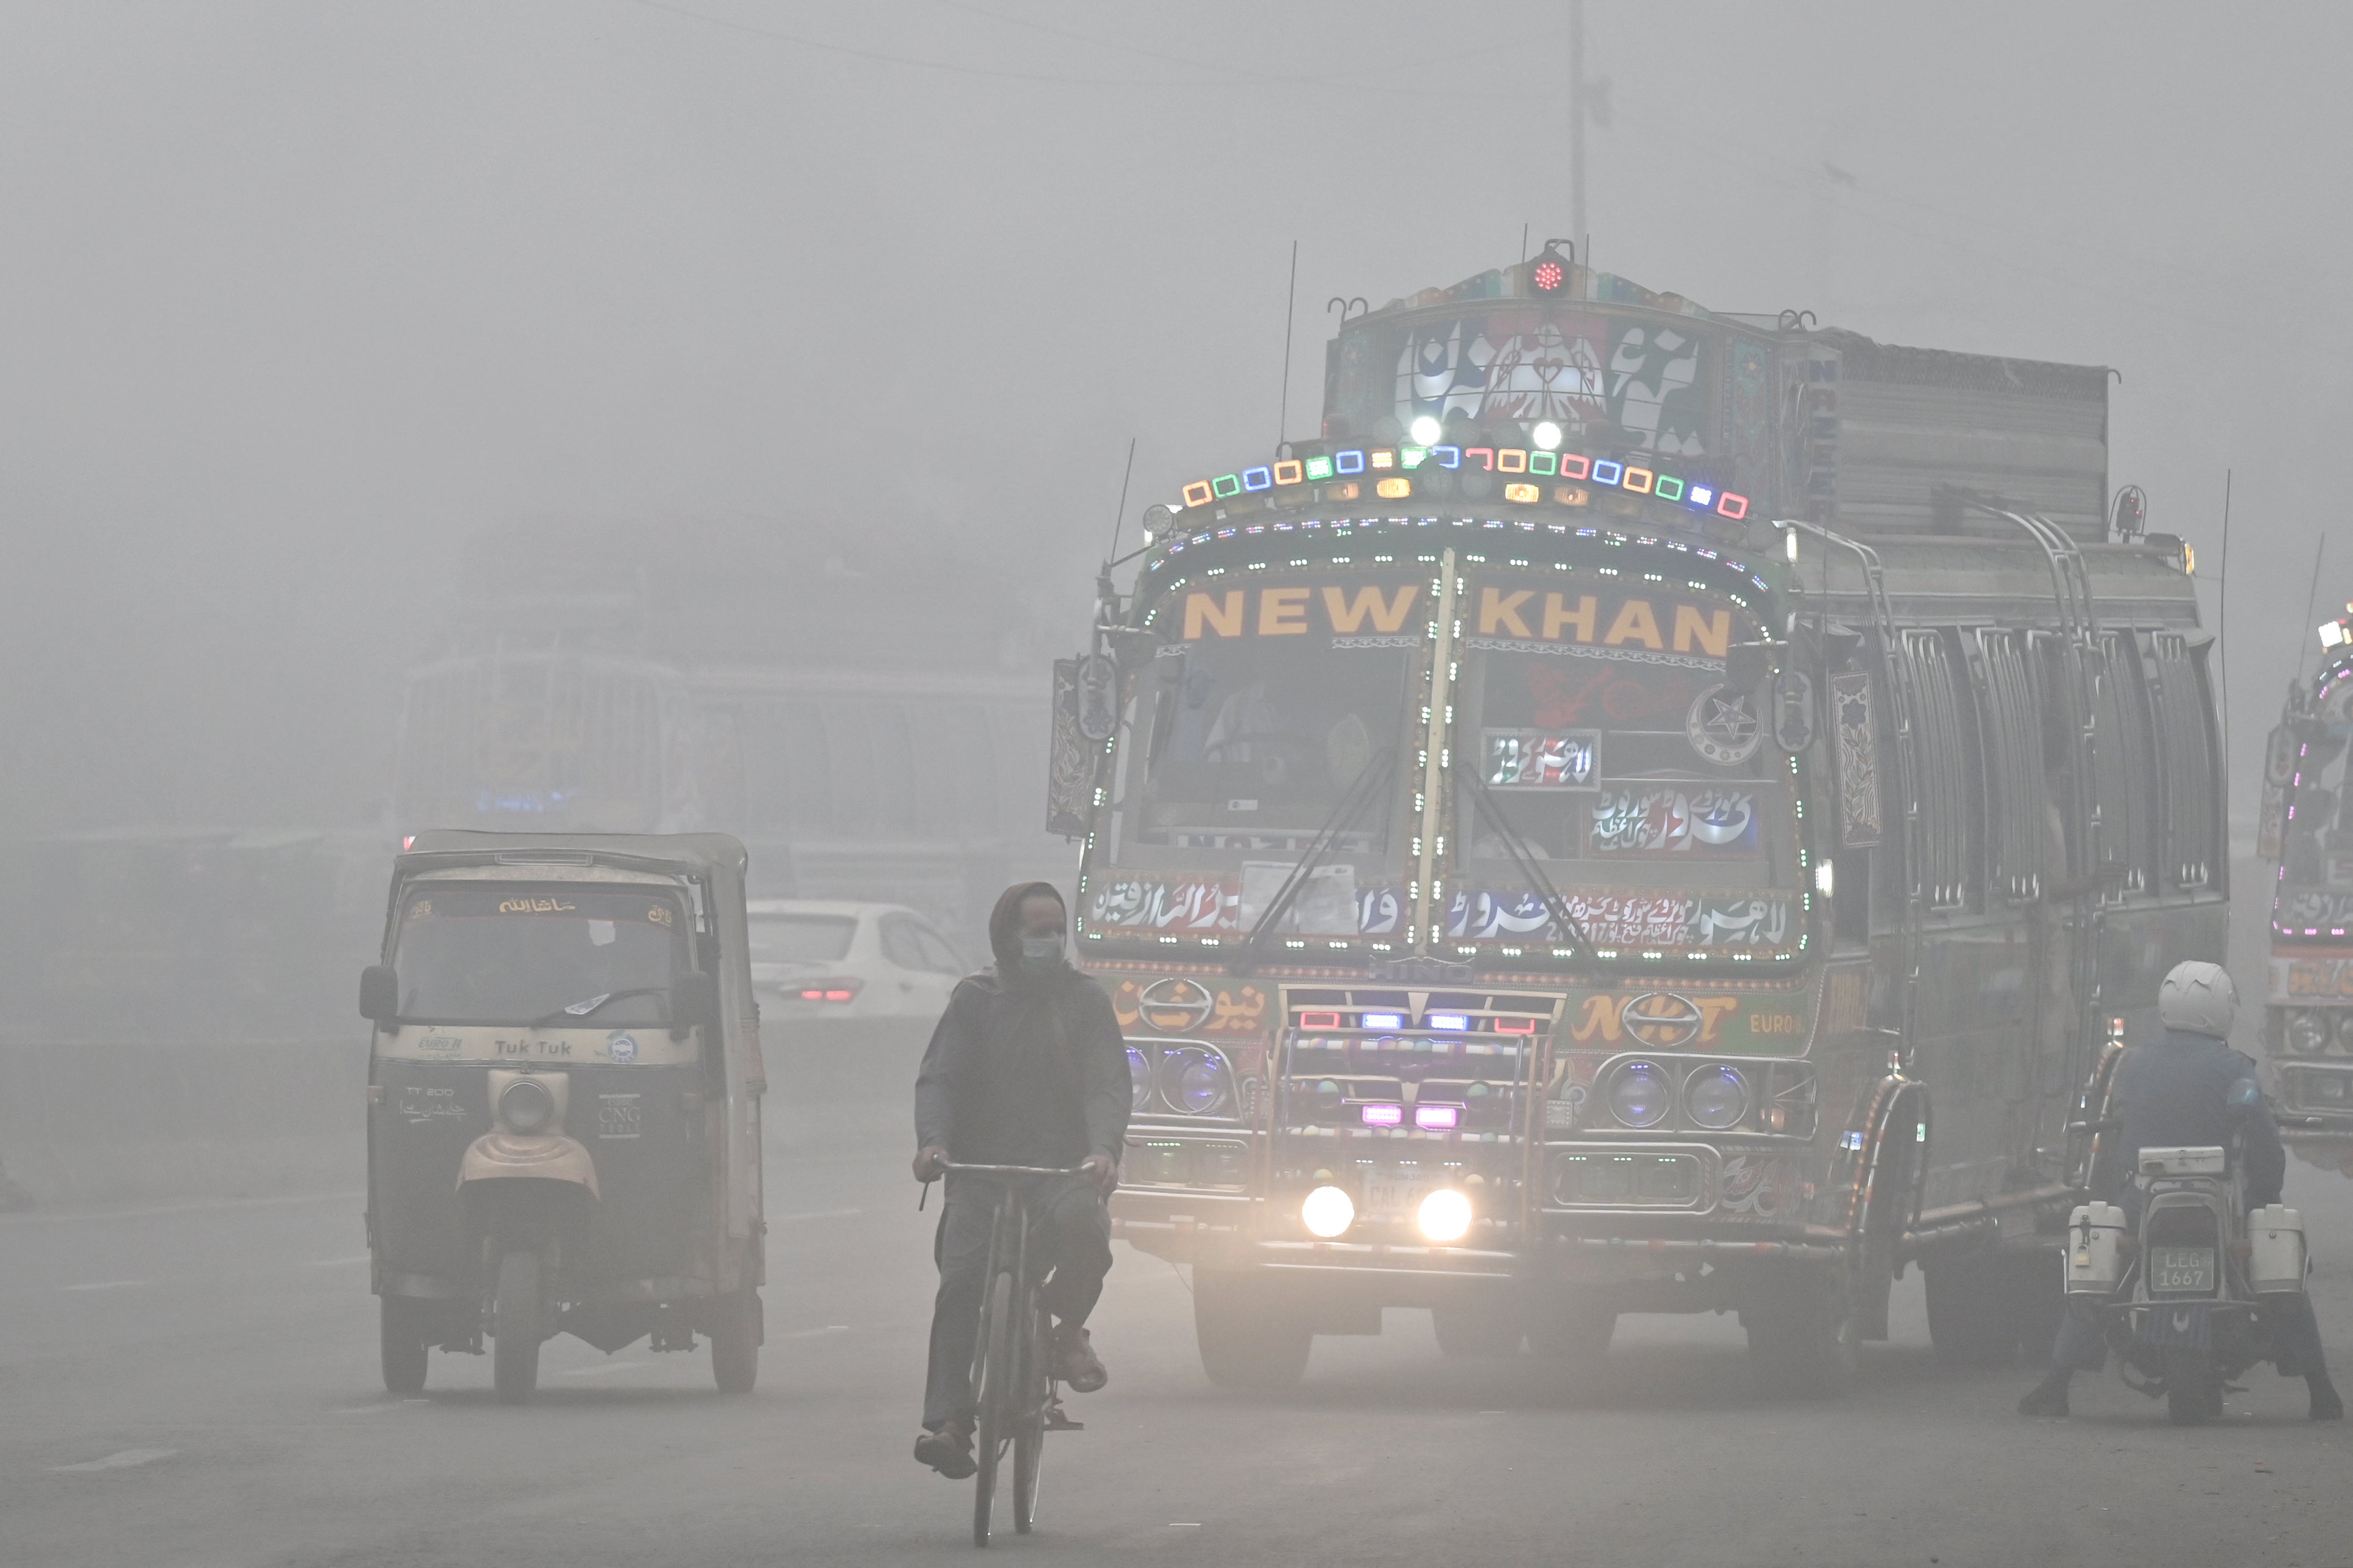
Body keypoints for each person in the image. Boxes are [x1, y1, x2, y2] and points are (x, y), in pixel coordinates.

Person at [2020, 961, 2343, 1419]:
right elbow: (2264, 1146)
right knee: (2280, 1253)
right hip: (2218, 1197)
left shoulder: (2134, 1065)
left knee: (2100, 1270)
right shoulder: (2235, 1067)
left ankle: (2055, 1383)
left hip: (2144, 1195)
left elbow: (2116, 1140)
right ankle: (2320, 1390)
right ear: (2219, 1010)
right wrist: (2262, 1197)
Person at [909, 883, 1128, 1479]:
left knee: (1084, 1226)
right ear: (1009, 936)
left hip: (1060, 1170)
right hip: (979, 1172)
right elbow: (940, 1080)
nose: (1050, 940)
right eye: (1038, 930)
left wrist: (1102, 1149)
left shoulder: (1084, 1001)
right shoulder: (975, 1000)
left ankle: (1062, 1331)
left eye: (1057, 928)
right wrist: (933, 1142)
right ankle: (950, 1423)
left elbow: (1107, 1084)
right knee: (960, 1284)